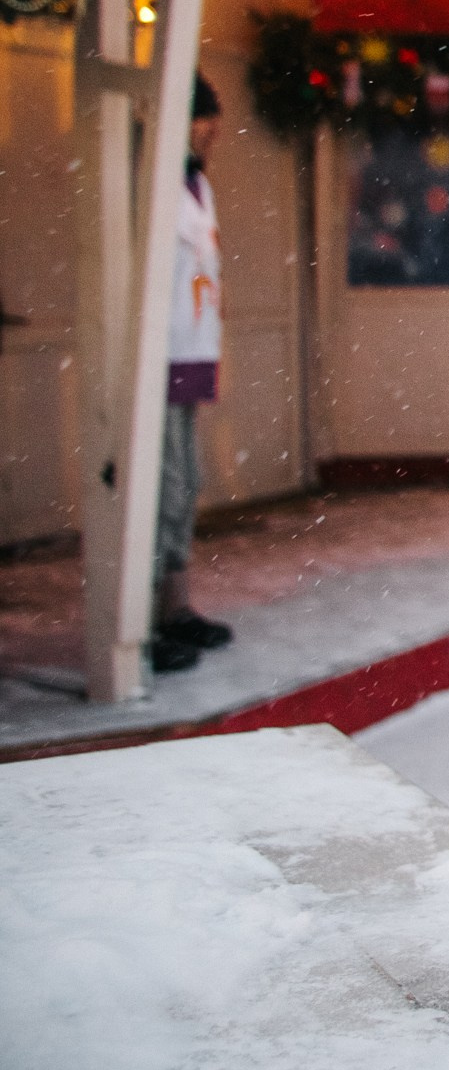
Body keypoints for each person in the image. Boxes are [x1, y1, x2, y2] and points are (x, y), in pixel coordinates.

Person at [152, 73, 235, 674]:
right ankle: (145, 616)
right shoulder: (153, 183)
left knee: (187, 483)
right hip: (159, 354)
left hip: (191, 350)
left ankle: (175, 605)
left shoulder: (196, 186)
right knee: (163, 484)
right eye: (201, 120)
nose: (208, 134)